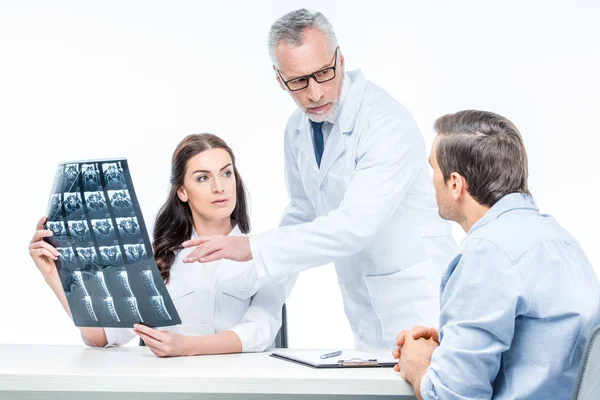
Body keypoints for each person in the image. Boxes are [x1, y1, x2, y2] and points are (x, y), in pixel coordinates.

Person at [182, 9, 457, 349]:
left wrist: (253, 248)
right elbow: (303, 211)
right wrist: (262, 285)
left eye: (323, 73)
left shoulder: (385, 123)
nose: (314, 94)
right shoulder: (297, 130)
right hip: (363, 298)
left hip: (417, 295)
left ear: (340, 60)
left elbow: (355, 226)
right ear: (279, 79)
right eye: (297, 81)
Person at [393, 110, 600, 399]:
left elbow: (453, 396)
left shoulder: (488, 253)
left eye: (433, 170)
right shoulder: (559, 239)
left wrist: (417, 364)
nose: (432, 181)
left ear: (455, 184)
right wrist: (451, 350)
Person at [29, 134, 287, 357]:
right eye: (202, 178)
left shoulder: (266, 251)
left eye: (226, 173)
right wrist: (52, 275)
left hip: (241, 387)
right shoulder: (158, 256)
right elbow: (103, 335)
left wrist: (187, 347)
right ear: (182, 192)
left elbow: (260, 331)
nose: (219, 187)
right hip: (171, 386)